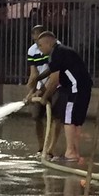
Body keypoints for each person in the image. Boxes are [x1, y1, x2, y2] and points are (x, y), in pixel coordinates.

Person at [31, 31, 93, 162]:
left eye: (41, 46)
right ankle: (75, 152)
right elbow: (51, 71)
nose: (40, 50)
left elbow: (54, 80)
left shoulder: (57, 53)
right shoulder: (62, 52)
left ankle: (70, 153)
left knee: (69, 120)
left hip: (75, 88)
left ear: (48, 43)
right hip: (84, 87)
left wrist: (44, 98)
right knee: (76, 121)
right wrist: (39, 79)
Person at [26, 25, 61, 156]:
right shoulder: (32, 51)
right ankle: (41, 148)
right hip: (41, 86)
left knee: (56, 117)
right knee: (36, 116)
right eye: (35, 42)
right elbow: (34, 73)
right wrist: (32, 90)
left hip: (56, 85)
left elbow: (53, 74)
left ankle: (51, 149)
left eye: (39, 42)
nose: (38, 46)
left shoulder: (56, 48)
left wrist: (43, 93)